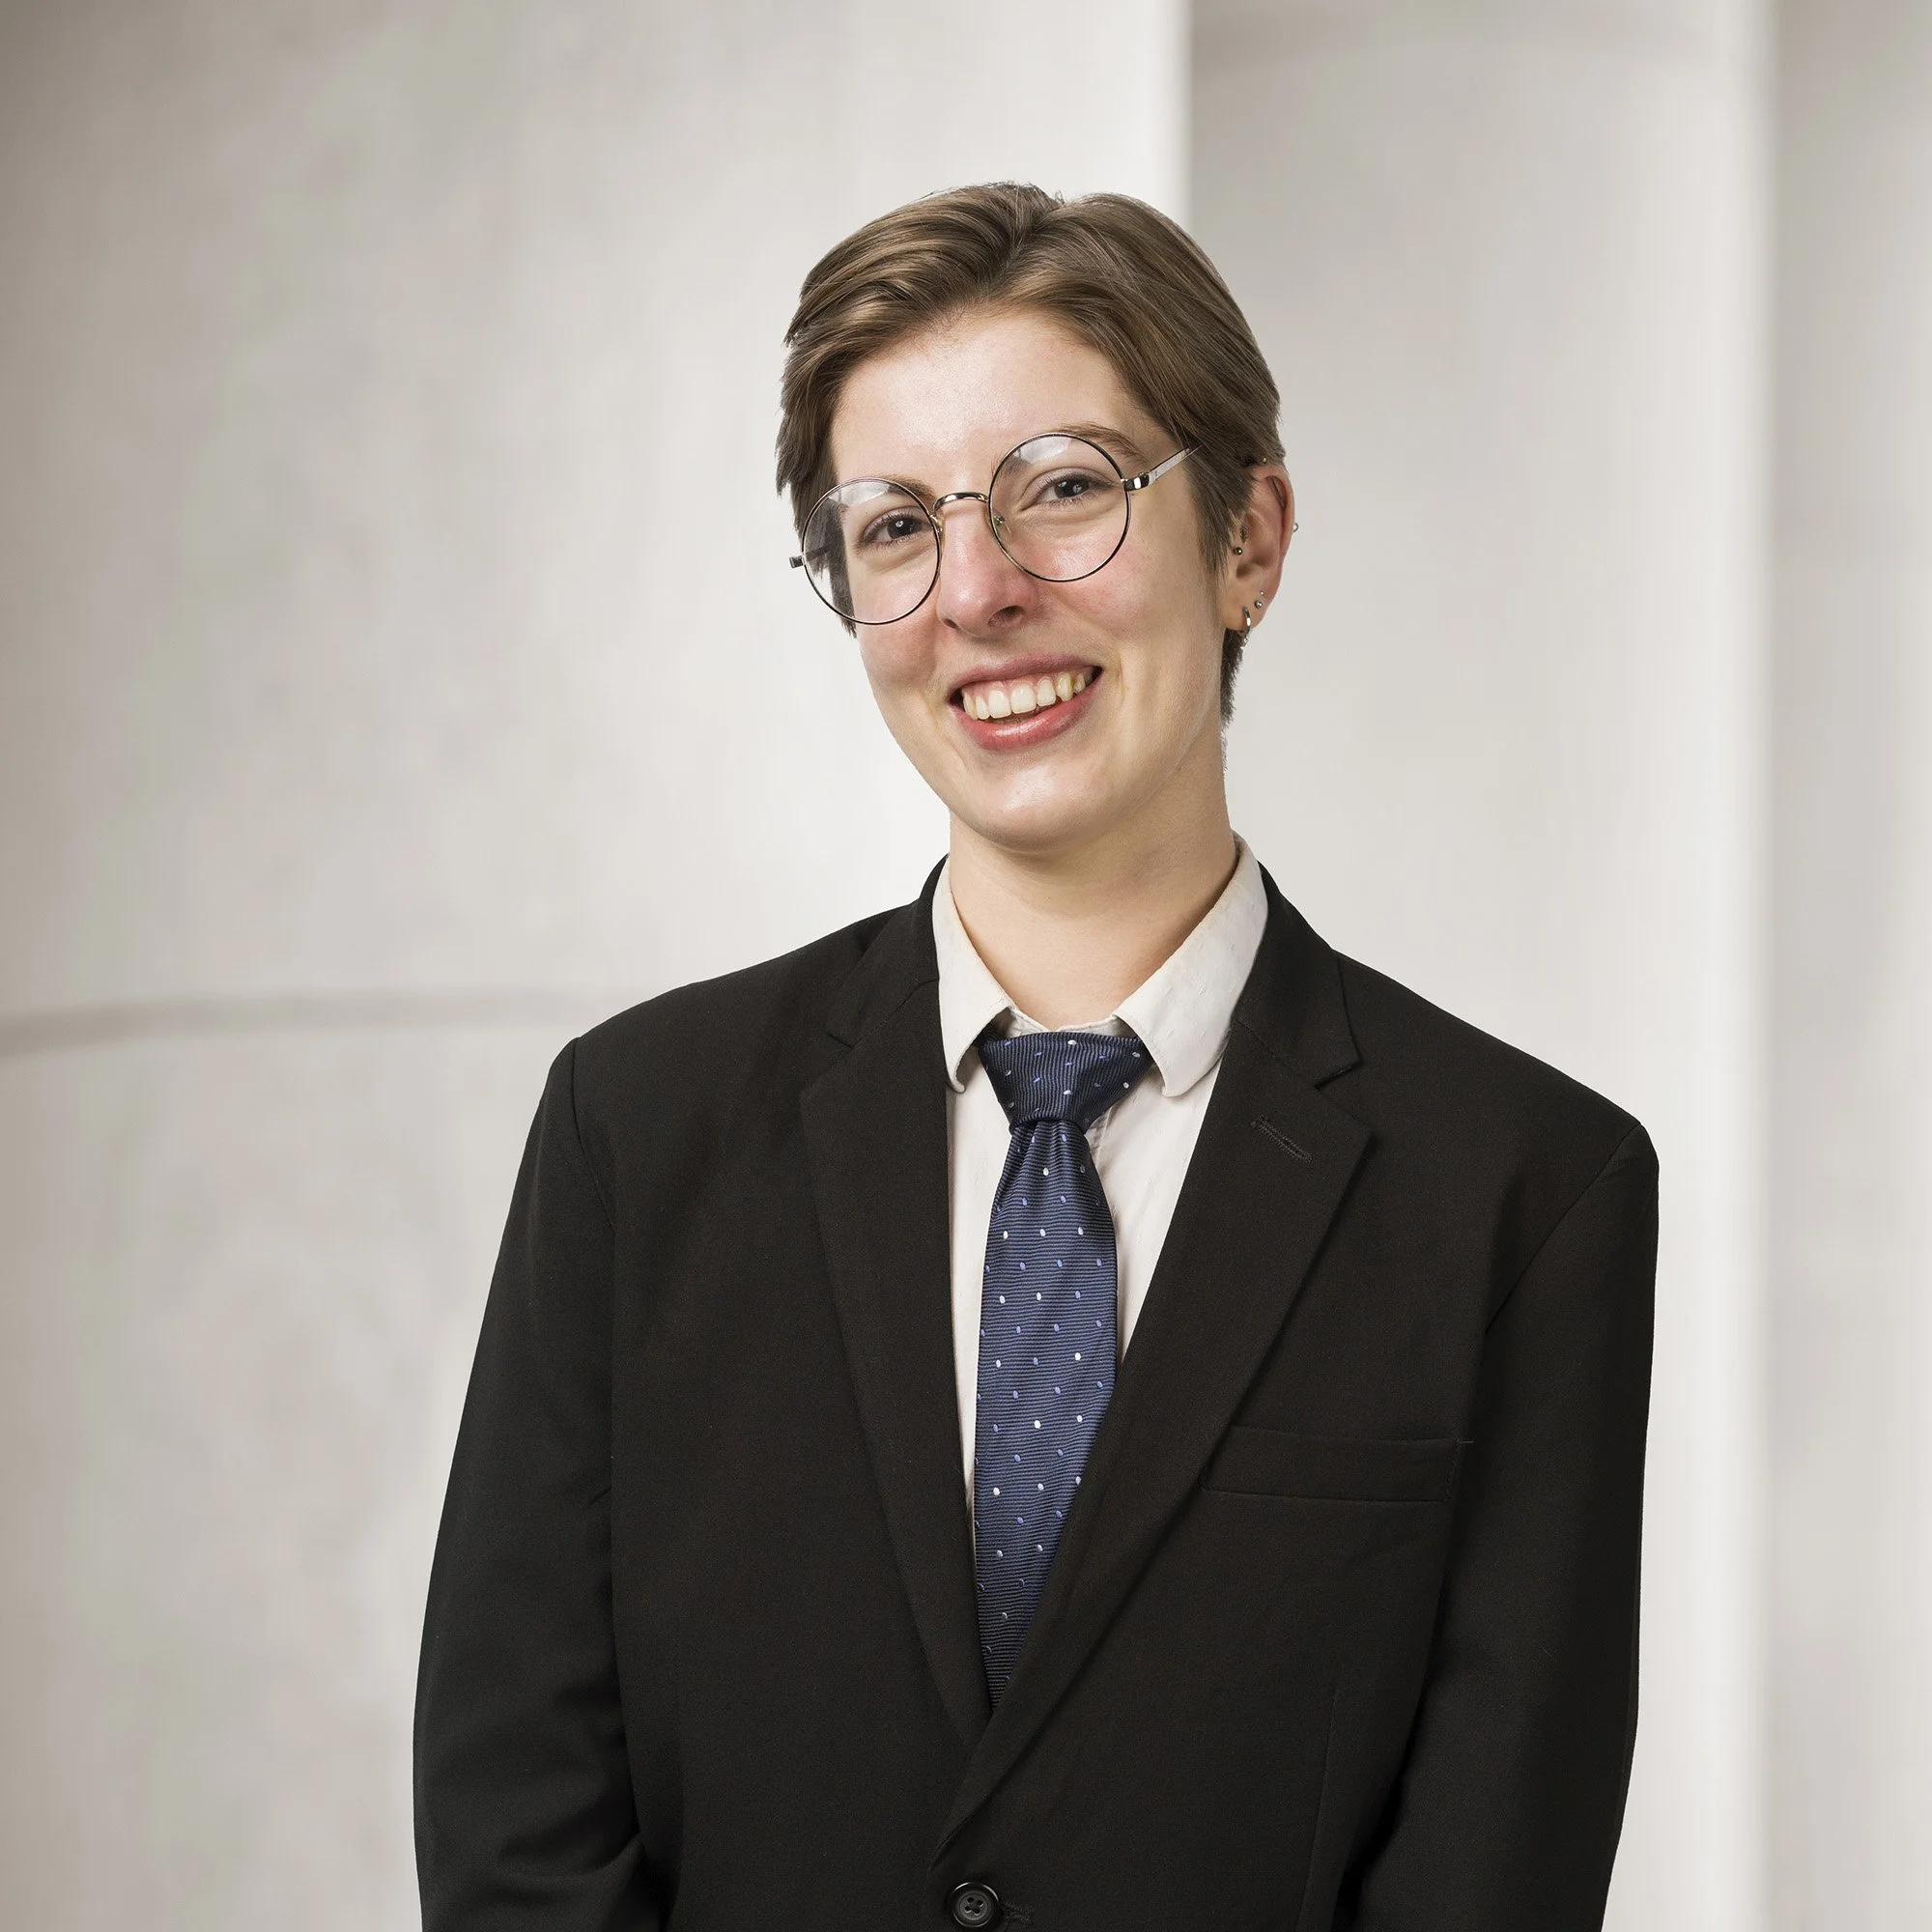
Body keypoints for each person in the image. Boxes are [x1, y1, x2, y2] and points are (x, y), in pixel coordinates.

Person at [413, 184, 1657, 1932]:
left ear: (1250, 539)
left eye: (1064, 487)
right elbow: (514, 1822)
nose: (977, 593)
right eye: (897, 525)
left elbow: (1491, 1872)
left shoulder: (1527, 1190)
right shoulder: (640, 1133)